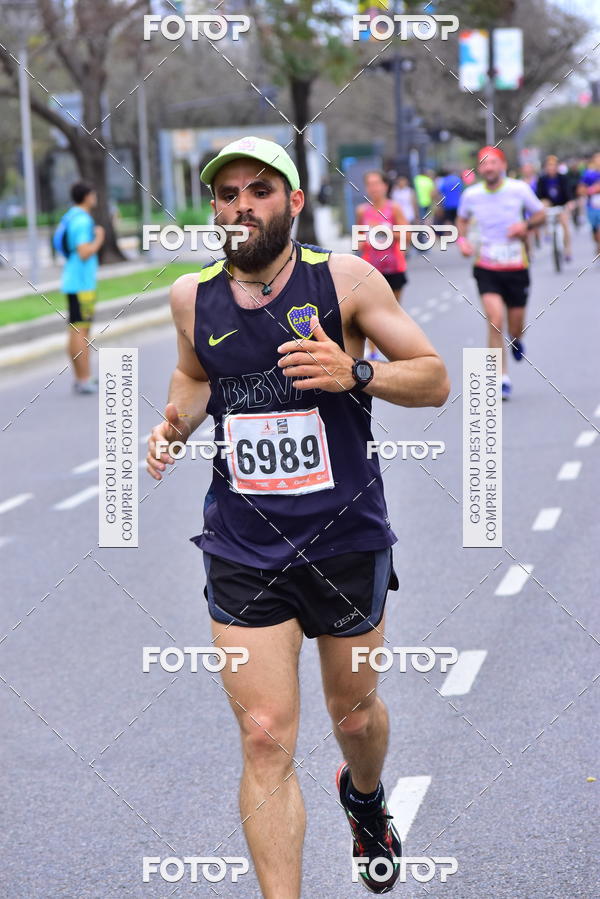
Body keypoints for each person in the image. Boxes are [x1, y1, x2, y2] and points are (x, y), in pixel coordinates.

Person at [146, 135, 450, 898]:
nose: (241, 205)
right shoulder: (192, 296)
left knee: (354, 716)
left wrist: (357, 371)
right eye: (227, 193)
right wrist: (174, 423)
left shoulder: (343, 279)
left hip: (345, 537)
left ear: (293, 201)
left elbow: (436, 376)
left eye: (259, 190)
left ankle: (366, 796)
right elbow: (192, 377)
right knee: (264, 734)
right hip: (243, 546)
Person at [456, 146, 546, 400]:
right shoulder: (471, 195)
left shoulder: (519, 189)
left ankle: (516, 340)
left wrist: (525, 225)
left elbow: (540, 214)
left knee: (515, 326)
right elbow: (461, 221)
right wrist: (462, 241)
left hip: (517, 265)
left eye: (493, 162)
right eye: (483, 163)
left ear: (503, 165)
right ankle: (501, 377)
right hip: (486, 266)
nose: (488, 167)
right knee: (495, 319)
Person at [356, 170, 408, 360]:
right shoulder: (363, 211)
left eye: (377, 183)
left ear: (385, 186)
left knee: (393, 311)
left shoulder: (393, 209)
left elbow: (407, 235)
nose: (374, 188)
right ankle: (373, 352)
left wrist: (387, 233)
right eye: (370, 184)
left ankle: (395, 350)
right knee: (370, 312)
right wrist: (362, 240)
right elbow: (359, 237)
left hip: (394, 266)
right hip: (370, 268)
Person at [60, 182, 105, 394]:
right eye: (93, 193)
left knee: (75, 328)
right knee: (81, 330)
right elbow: (84, 251)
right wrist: (99, 238)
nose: (95, 196)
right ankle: (85, 378)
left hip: (73, 280)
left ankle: (80, 378)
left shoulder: (70, 216)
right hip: (82, 284)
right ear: (87, 197)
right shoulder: (82, 219)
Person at [535, 155, 573, 261]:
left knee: (565, 223)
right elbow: (539, 195)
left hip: (561, 205)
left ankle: (567, 250)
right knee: (543, 206)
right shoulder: (542, 179)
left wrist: (570, 203)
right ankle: (547, 231)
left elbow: (568, 193)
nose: (551, 168)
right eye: (549, 165)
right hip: (549, 206)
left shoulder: (563, 178)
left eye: (553, 165)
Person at [578, 152, 600, 256]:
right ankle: (598, 245)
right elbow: (581, 190)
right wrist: (592, 190)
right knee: (595, 233)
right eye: (597, 159)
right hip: (593, 207)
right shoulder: (588, 175)